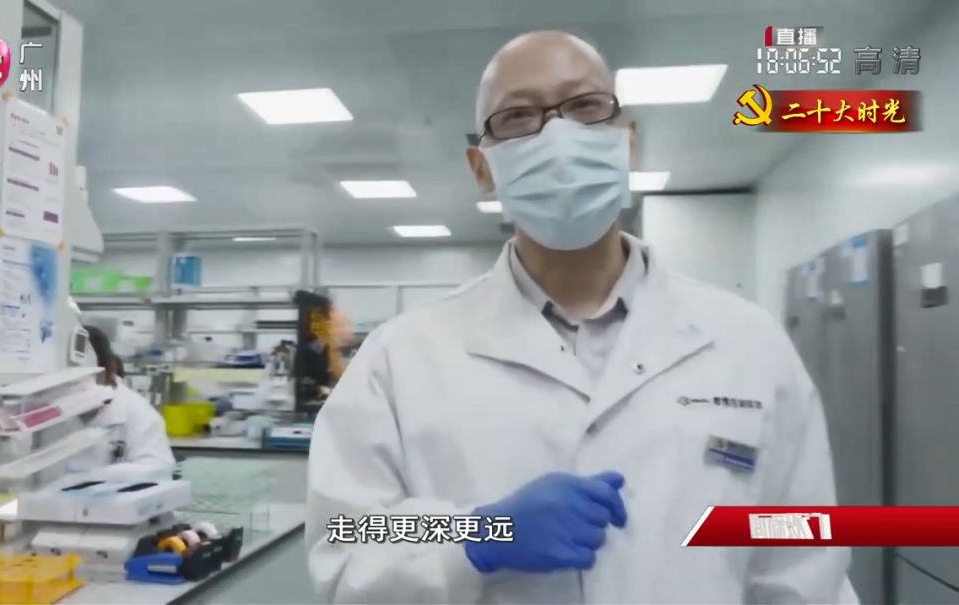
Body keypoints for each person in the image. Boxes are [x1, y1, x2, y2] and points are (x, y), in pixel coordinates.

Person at [304, 31, 857, 604]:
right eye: (518, 117)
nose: (558, 137)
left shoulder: (749, 346)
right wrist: (481, 534)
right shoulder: (399, 360)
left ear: (627, 140)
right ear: (482, 168)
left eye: (585, 107)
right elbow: (348, 542)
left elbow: (803, 570)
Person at [66, 325, 175, 480]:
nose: (78, 390)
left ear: (111, 369)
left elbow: (158, 472)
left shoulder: (140, 414)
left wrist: (94, 477)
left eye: (85, 380)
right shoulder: (52, 408)